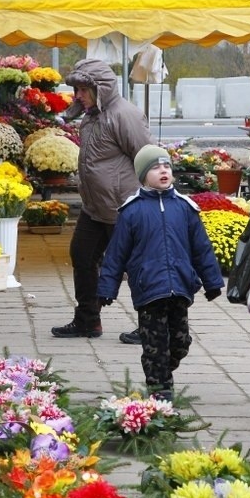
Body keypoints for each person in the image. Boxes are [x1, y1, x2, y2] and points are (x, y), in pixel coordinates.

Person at [97, 145, 224, 400]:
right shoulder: (132, 211)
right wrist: (106, 288)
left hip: (180, 287)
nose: (163, 171)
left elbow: (201, 247)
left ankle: (163, 372)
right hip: (149, 290)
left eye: (166, 166)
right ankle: (160, 390)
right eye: (155, 168)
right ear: (143, 175)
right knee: (154, 346)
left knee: (180, 342)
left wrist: (212, 281)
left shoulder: (185, 208)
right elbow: (116, 254)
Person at [51, 58, 155, 343]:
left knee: (135, 266)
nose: (78, 96)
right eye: (77, 90)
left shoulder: (124, 115)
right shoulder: (93, 114)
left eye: (83, 90)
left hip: (122, 206)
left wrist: (151, 200)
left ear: (100, 88)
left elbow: (146, 157)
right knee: (82, 254)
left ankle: (151, 326)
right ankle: (87, 320)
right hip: (94, 205)